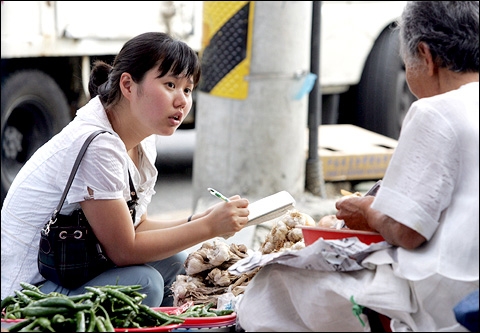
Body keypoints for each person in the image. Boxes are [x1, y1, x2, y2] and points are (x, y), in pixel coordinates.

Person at [236, 1, 479, 331]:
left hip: (445, 297)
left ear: (425, 57)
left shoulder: (436, 111)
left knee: (278, 279)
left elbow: (408, 232)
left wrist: (368, 210)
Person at [1, 32, 250, 307]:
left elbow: (137, 226)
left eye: (188, 89)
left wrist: (199, 218)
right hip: (28, 293)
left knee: (175, 264)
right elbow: (123, 250)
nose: (182, 101)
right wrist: (208, 226)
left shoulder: (142, 139)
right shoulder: (98, 144)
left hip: (72, 269)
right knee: (145, 284)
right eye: (170, 84)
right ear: (129, 86)